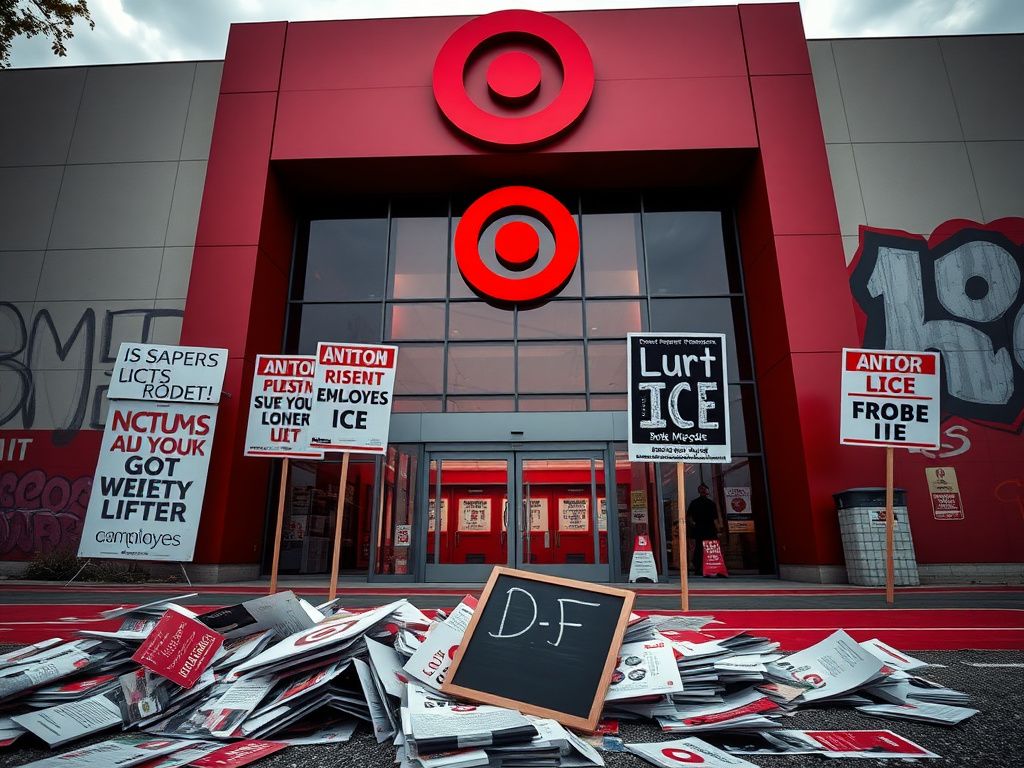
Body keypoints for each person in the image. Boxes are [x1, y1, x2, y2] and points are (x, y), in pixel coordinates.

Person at [686, 483, 721, 576]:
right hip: (709, 529)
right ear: (707, 492)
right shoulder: (711, 503)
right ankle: (711, 567)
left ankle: (699, 568)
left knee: (699, 548)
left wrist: (694, 524)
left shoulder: (694, 503)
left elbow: (689, 516)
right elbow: (715, 519)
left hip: (699, 529)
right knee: (710, 549)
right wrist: (718, 530)